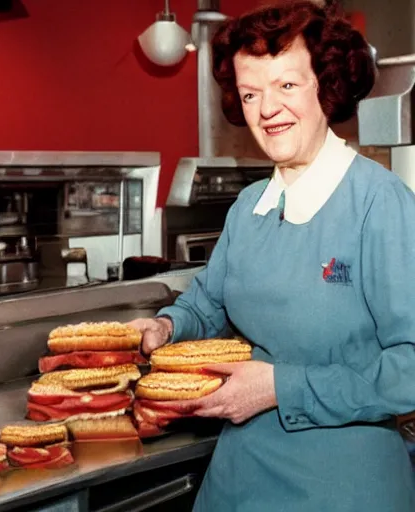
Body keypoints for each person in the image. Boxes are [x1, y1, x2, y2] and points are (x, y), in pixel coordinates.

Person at [129, 1, 415, 511]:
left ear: (324, 85)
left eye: (286, 85)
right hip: (238, 478)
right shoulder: (249, 207)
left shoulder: (380, 202)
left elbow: (410, 369)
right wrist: (167, 327)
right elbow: (207, 304)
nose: (266, 110)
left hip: (343, 485)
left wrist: (282, 388)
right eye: (251, 93)